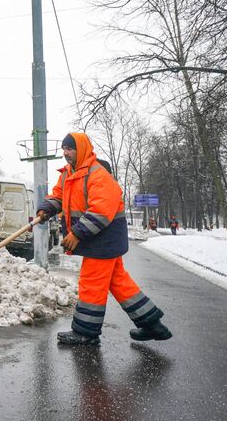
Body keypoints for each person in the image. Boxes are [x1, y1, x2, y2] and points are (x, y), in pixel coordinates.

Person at [36, 132, 172, 345]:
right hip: (98, 238)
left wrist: (77, 234)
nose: (65, 153)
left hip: (103, 239)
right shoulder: (68, 174)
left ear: (80, 149)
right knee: (119, 282)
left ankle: (86, 332)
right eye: (63, 149)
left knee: (91, 283)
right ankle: (152, 324)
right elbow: (58, 196)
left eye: (69, 149)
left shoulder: (97, 174)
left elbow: (101, 211)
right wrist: (46, 210)